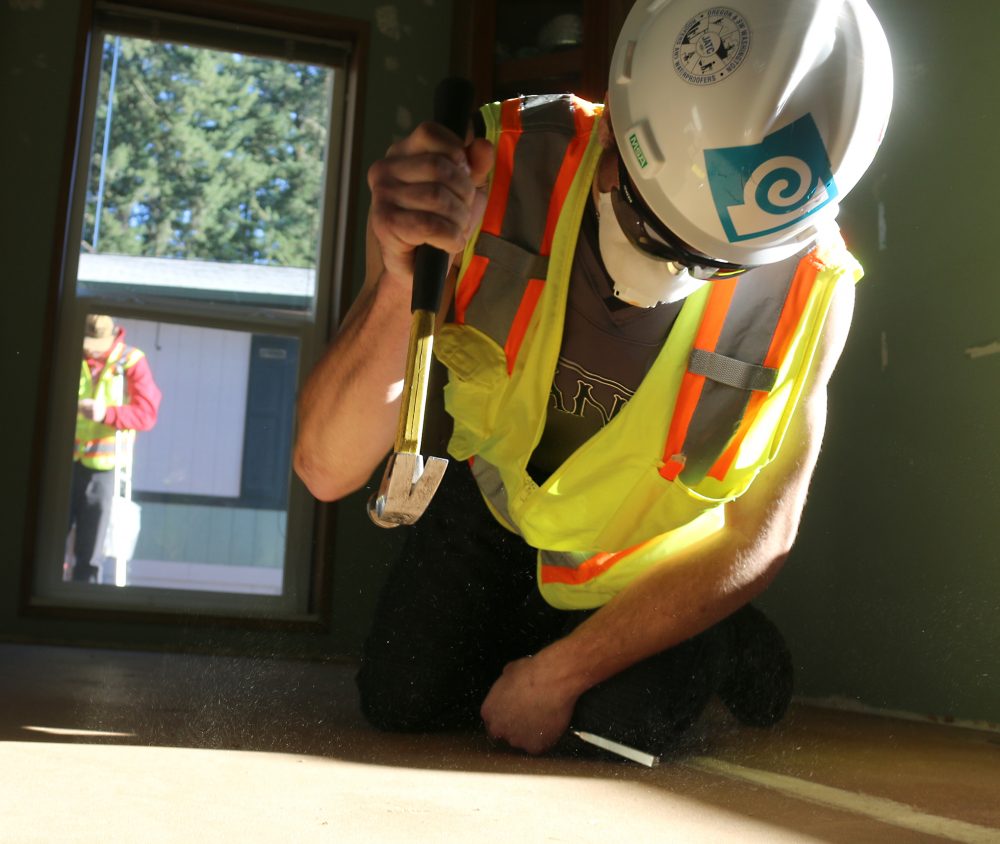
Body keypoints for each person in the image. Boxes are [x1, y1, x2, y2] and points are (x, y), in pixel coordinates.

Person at [294, 0, 893, 757]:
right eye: (652, 227)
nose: (669, 272)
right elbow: (325, 467)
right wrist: (398, 274)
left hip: (649, 564)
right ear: (615, 128)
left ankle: (725, 633)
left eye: (712, 262)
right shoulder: (500, 166)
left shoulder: (810, 289)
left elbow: (762, 533)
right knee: (402, 700)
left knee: (617, 730)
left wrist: (557, 677)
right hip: (498, 508)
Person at [69, 314, 161, 583]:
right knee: (47, 541)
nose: (90, 350)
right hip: (60, 461)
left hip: (103, 466)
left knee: (90, 549)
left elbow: (146, 415)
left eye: (95, 344)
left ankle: (81, 600)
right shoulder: (68, 352)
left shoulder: (130, 361)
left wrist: (105, 413)